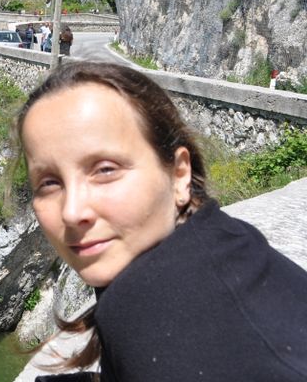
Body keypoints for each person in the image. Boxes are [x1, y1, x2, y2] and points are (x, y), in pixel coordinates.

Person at [16, 61, 307, 382]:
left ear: (179, 174)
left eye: (106, 170)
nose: (72, 212)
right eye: (49, 183)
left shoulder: (153, 309)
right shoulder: (220, 245)